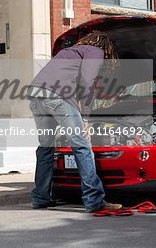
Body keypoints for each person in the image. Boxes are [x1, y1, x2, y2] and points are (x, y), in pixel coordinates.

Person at [28, 30, 122, 212]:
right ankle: (94, 201)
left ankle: (41, 198)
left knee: (45, 148)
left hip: (36, 94)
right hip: (57, 96)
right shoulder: (95, 52)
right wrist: (85, 118)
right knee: (82, 146)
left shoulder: (69, 51)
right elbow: (87, 82)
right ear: (105, 48)